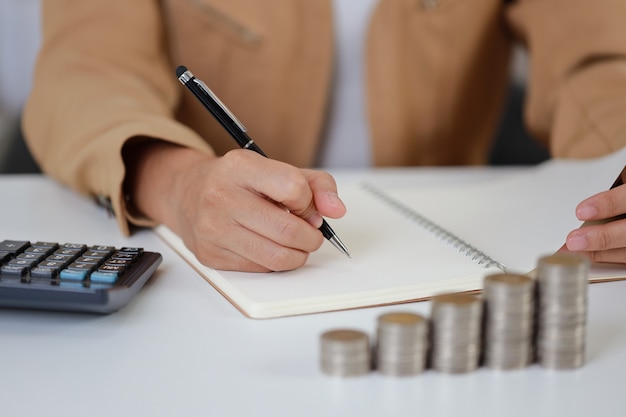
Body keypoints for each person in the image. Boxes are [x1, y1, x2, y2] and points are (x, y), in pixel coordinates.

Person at [22, 0, 626, 272]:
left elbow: (600, 59)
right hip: (192, 264)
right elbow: (86, 67)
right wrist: (177, 181)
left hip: (450, 247)